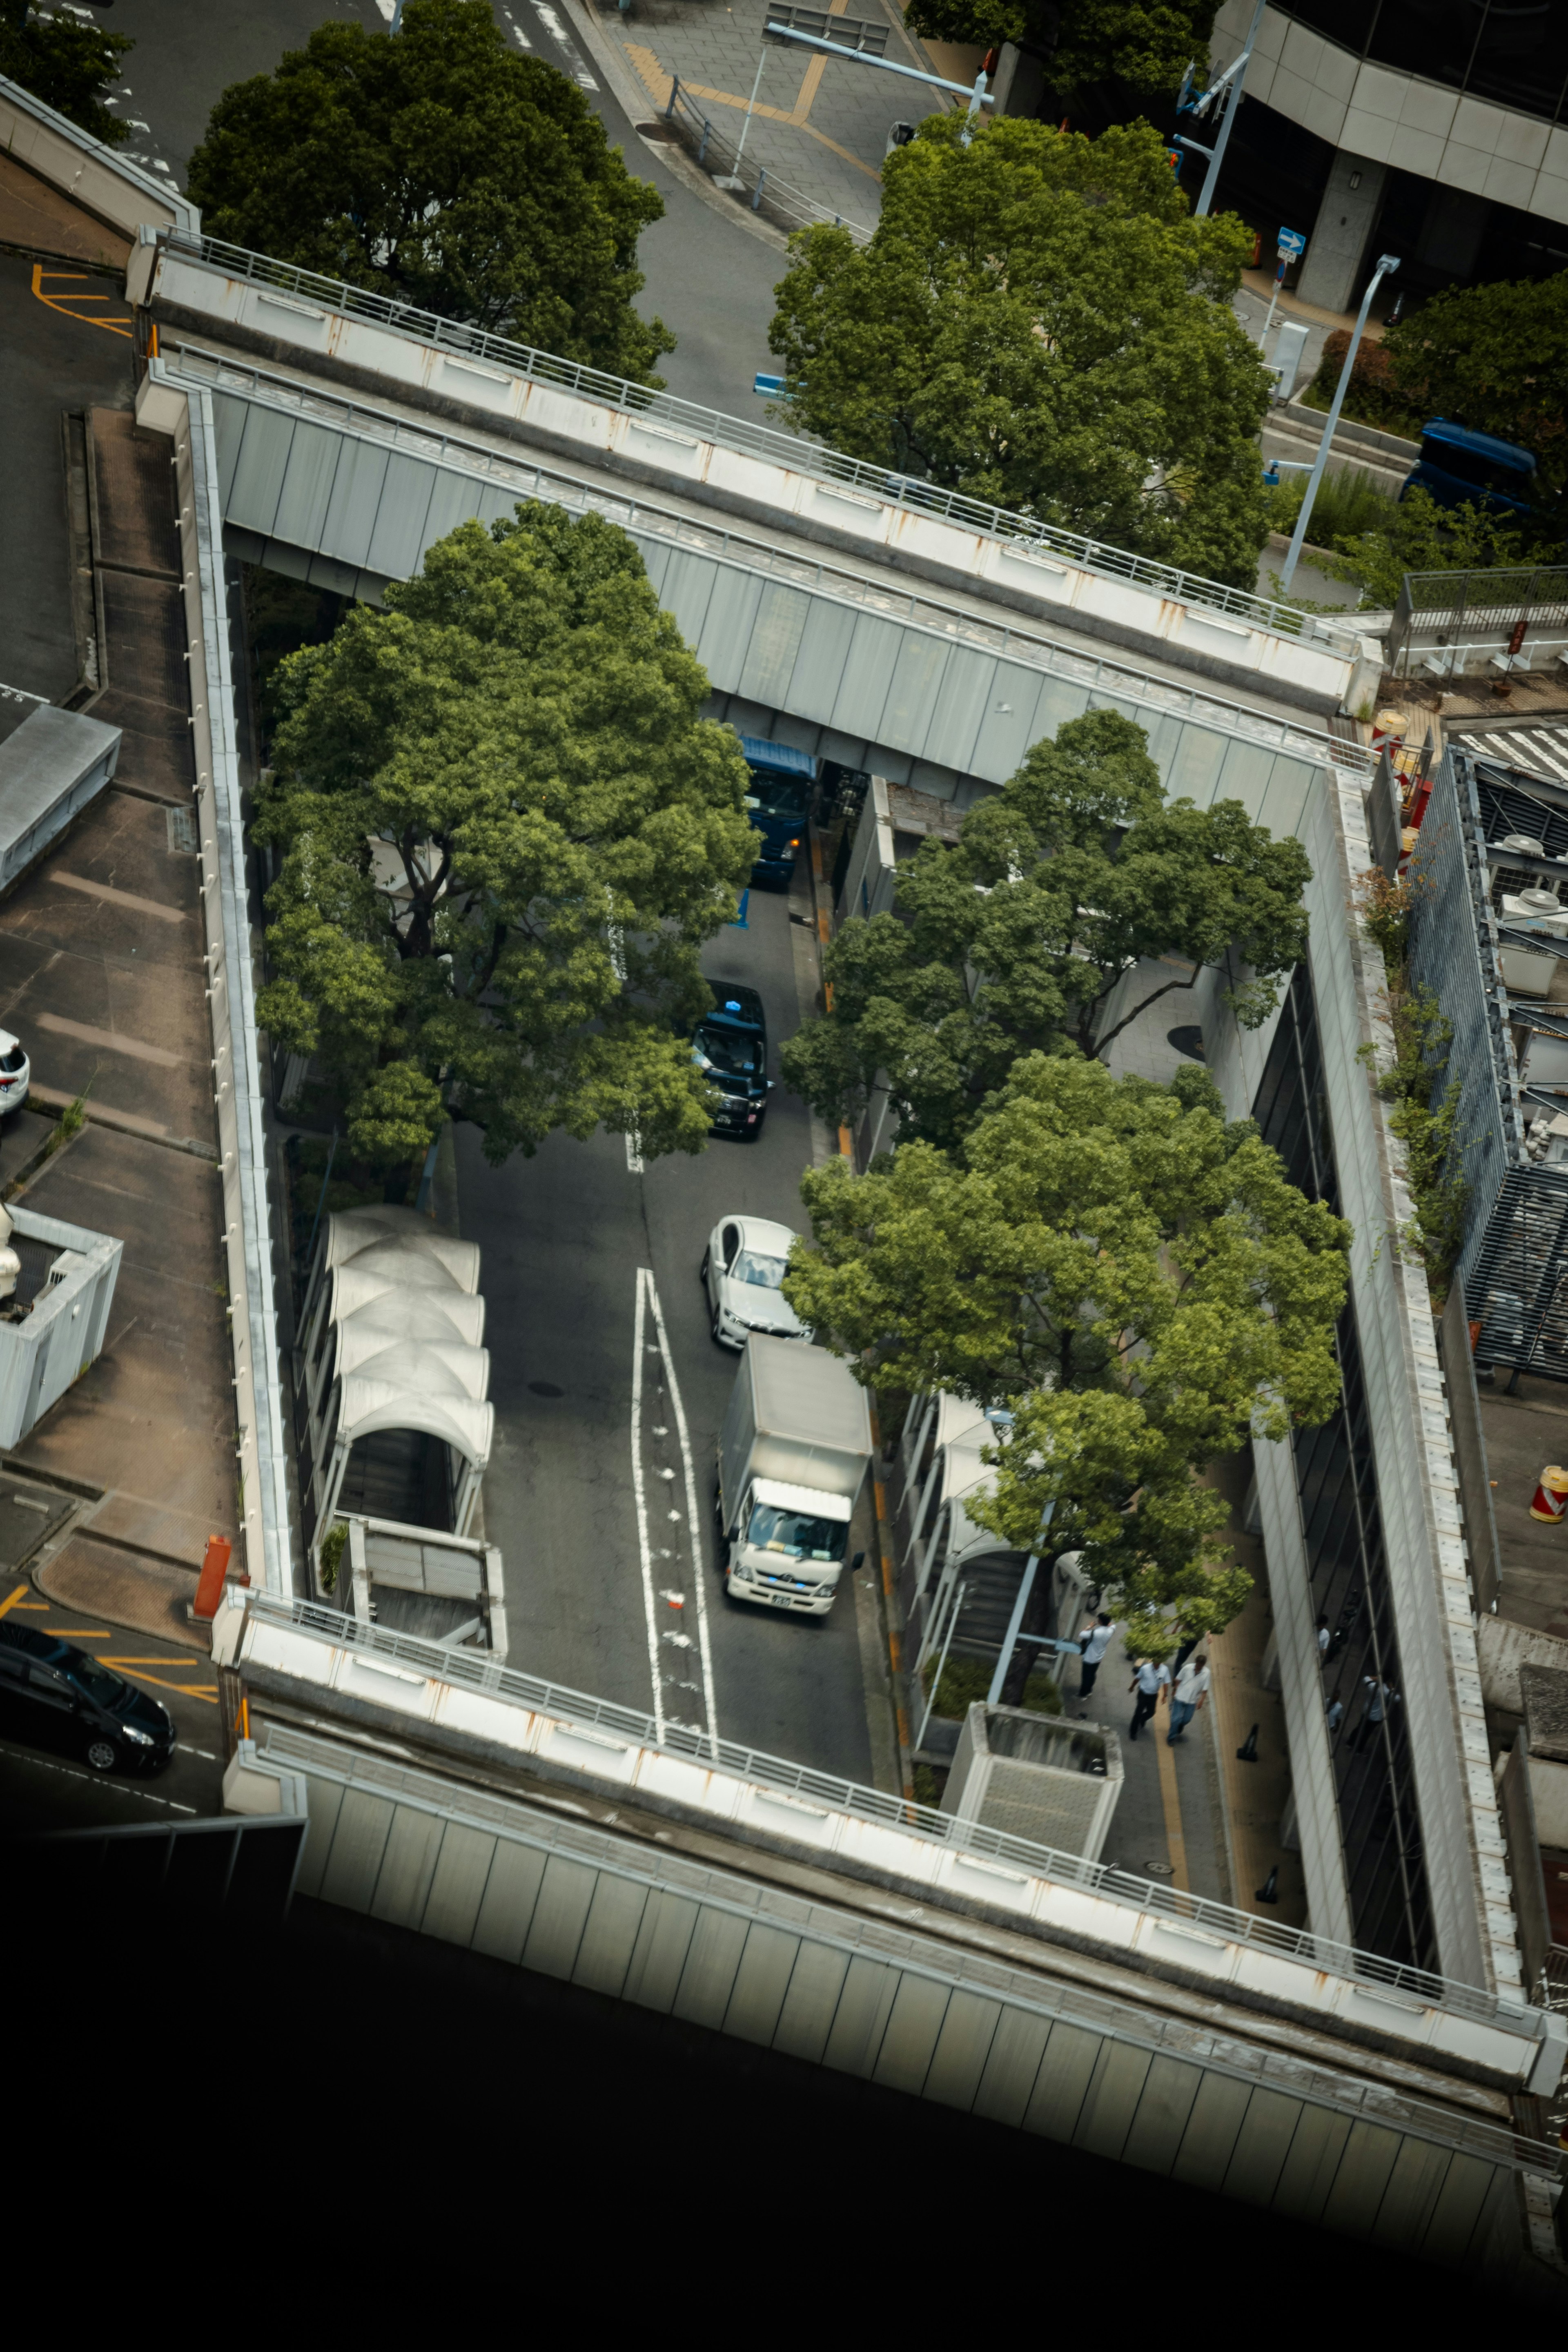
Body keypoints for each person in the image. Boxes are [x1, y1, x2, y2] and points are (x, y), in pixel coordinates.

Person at [1166, 1650, 1210, 1743]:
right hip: (1180, 1697)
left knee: (1187, 1719)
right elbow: (1178, 1680)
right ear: (1196, 1662)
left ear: (1204, 1665)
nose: (1199, 1667)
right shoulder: (1187, 1668)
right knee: (1175, 1720)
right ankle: (1171, 1738)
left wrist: (1201, 1701)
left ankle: (1180, 1725)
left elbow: (1205, 1690)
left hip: (1192, 1701)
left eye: (1201, 1666)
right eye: (1198, 1665)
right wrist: (1175, 1691)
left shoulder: (1207, 1673)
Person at [1076, 1613, 1116, 1715]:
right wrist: (1107, 1624)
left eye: (1099, 1619)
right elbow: (1113, 1625)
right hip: (1099, 1657)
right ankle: (1089, 1690)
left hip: (1090, 1657)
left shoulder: (1096, 1633)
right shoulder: (1111, 1630)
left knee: (1086, 1676)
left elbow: (1082, 1634)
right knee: (1092, 1674)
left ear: (1101, 1622)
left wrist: (1089, 1626)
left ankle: (1083, 1693)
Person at [1127, 1655, 1170, 1741]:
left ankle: (1143, 1719)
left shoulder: (1165, 1670)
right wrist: (1132, 1687)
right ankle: (1133, 1732)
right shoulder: (1145, 1668)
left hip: (1153, 1695)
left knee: (1151, 1712)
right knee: (1138, 1713)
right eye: (1156, 1663)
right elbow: (1137, 1679)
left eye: (1159, 1663)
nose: (1157, 1665)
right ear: (1153, 1661)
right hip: (1143, 1694)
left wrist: (1165, 1695)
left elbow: (1166, 1683)